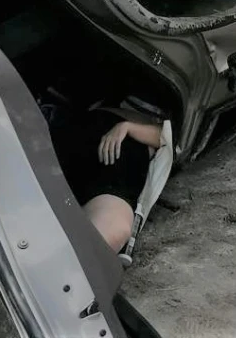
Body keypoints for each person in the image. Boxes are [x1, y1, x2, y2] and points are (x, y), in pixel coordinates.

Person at [47, 95, 165, 252]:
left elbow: (168, 137)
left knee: (112, 232)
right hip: (85, 129)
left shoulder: (161, 119)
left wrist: (127, 127)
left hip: (119, 158)